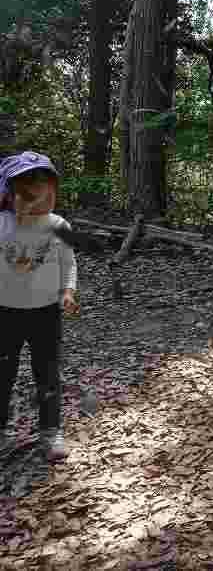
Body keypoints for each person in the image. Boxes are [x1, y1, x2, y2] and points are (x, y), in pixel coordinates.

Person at [0, 151, 79, 461]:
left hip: (46, 313)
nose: (38, 200)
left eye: (46, 192)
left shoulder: (59, 225)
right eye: (28, 193)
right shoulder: (2, 224)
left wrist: (68, 290)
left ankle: (50, 430)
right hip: (5, 312)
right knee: (3, 373)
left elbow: (69, 262)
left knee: (48, 373)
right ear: (9, 194)